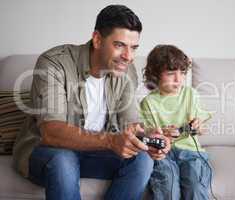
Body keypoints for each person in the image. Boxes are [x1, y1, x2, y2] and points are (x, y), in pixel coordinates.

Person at [12, 5, 170, 200]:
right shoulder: (54, 63)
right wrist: (111, 140)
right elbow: (51, 132)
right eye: (119, 45)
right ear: (97, 39)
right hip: (48, 151)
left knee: (143, 159)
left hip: (97, 151)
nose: (128, 56)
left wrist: (147, 138)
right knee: (64, 160)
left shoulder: (126, 72)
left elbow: (131, 124)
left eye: (133, 47)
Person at [140, 44, 213, 200]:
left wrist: (198, 126)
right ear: (155, 75)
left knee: (195, 186)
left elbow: (201, 127)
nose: (179, 79)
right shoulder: (149, 102)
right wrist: (161, 134)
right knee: (167, 187)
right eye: (171, 73)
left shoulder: (190, 95)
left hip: (191, 153)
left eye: (182, 72)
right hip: (163, 154)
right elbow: (148, 135)